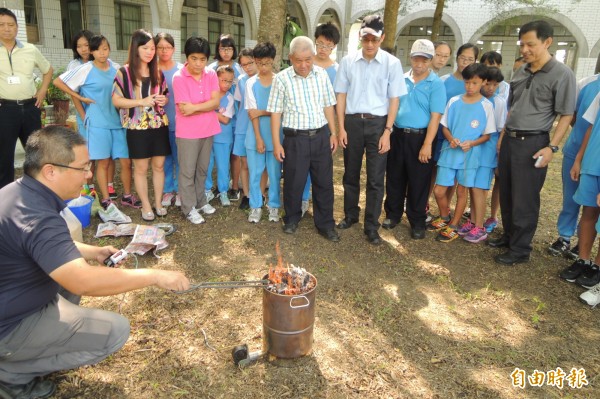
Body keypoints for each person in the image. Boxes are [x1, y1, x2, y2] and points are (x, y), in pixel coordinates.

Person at [0, 126, 189, 399]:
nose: (89, 174)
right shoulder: (37, 217)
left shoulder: (18, 192)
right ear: (51, 171)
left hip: (13, 301)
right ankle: (11, 373)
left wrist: (92, 252)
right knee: (115, 331)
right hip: (9, 325)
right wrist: (155, 275)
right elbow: (83, 281)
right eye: (82, 167)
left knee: (72, 265)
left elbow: (42, 246)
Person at [488, 20, 576, 265]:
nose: (524, 49)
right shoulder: (521, 70)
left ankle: (520, 249)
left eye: (530, 44)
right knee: (506, 191)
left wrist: (552, 147)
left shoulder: (562, 73)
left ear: (547, 42)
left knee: (525, 198)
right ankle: (509, 236)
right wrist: (503, 137)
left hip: (533, 143)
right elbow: (512, 108)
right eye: (522, 44)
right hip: (510, 140)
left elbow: (566, 114)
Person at [334, 14, 407, 245]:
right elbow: (341, 96)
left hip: (378, 124)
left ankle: (371, 225)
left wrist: (387, 131)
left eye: (374, 40)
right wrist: (341, 128)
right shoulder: (348, 61)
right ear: (360, 37)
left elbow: (394, 99)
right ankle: (350, 215)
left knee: (376, 178)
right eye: (365, 39)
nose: (369, 44)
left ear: (382, 38)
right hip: (352, 123)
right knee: (350, 174)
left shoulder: (391, 63)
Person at [268, 36, 339, 240]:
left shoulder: (322, 75)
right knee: (293, 181)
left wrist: (333, 133)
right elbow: (275, 113)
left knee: (324, 183)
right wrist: (276, 143)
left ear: (313, 56)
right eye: (298, 60)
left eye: (308, 59)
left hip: (320, 136)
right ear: (290, 58)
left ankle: (325, 224)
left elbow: (328, 105)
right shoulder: (281, 79)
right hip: (295, 139)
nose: (304, 65)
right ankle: (291, 218)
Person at [54, 35, 134, 211]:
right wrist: (80, 97)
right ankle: (106, 199)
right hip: (97, 123)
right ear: (92, 51)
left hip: (118, 122)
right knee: (103, 162)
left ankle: (128, 195)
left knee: (126, 161)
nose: (102, 53)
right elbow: (58, 82)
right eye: (98, 49)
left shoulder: (115, 68)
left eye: (105, 48)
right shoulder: (85, 69)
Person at [382, 39, 445, 240]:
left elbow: (436, 117)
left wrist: (427, 144)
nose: (420, 64)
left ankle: (417, 220)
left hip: (421, 138)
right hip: (398, 135)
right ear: (411, 58)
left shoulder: (436, 84)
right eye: (417, 59)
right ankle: (393, 214)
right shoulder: (401, 79)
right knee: (394, 177)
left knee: (419, 181)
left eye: (425, 60)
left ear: (430, 60)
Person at [432, 63, 496, 243]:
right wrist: (451, 138)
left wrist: (472, 143)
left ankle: (454, 225)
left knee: (462, 192)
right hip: (450, 152)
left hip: (469, 156)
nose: (470, 87)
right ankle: (445, 216)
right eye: (467, 82)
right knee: (439, 190)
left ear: (483, 82)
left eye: (475, 83)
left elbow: (487, 135)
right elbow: (444, 126)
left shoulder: (486, 105)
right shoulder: (454, 102)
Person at [112, 29, 170, 221]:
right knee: (141, 168)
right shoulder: (124, 72)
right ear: (135, 49)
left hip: (158, 125)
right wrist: (140, 102)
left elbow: (165, 95)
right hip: (136, 127)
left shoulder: (158, 72)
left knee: (159, 166)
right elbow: (116, 101)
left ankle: (158, 202)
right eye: (145, 48)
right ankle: (146, 205)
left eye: (152, 48)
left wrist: (163, 100)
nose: (150, 52)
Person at [548, 73, 600, 258]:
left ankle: (583, 244)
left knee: (592, 204)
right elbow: (571, 114)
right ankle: (564, 236)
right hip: (576, 150)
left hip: (596, 159)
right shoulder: (586, 83)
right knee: (571, 197)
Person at [0, 7, 53, 189]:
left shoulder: (30, 49)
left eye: (11, 25)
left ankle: (37, 195)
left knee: (36, 155)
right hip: (4, 110)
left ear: (17, 27)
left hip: (30, 108)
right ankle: (4, 202)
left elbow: (48, 70)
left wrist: (42, 91)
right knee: (3, 158)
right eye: (2, 25)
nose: (7, 28)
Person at [172, 36, 220, 224]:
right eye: (194, 58)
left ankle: (200, 201)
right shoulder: (179, 77)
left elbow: (216, 102)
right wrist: (205, 105)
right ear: (187, 57)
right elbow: (185, 109)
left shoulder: (211, 74)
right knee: (187, 171)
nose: (198, 63)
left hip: (208, 130)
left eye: (202, 59)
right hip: (187, 133)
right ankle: (188, 207)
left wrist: (195, 107)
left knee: (202, 169)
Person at [560, 90, 600, 305]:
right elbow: (590, 127)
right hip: (592, 163)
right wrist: (579, 159)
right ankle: (583, 260)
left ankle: (597, 267)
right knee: (588, 213)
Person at [298, 22, 341, 218]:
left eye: (328, 46)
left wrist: (336, 130)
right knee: (302, 165)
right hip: (302, 123)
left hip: (324, 124)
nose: (323, 49)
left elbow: (336, 102)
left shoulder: (337, 70)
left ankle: (320, 204)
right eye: (320, 44)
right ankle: (302, 198)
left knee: (321, 167)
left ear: (334, 47)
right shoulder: (306, 63)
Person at [245, 42, 282, 224]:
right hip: (255, 136)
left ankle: (274, 206)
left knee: (275, 174)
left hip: (276, 136)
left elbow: (281, 111)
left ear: (273, 61)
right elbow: (252, 113)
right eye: (259, 63)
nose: (263, 67)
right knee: (255, 173)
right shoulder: (250, 83)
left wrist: (262, 111)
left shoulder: (279, 81)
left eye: (266, 63)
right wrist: (258, 138)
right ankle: (255, 206)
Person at [209, 34, 244, 201]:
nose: (226, 52)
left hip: (232, 117)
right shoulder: (212, 68)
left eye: (229, 48)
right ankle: (212, 188)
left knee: (233, 154)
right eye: (223, 48)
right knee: (211, 158)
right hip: (212, 123)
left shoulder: (238, 68)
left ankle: (233, 186)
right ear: (218, 49)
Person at [155, 33, 183, 209]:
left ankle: (180, 190)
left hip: (179, 123)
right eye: (160, 47)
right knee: (164, 160)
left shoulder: (181, 69)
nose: (164, 51)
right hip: (158, 124)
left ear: (173, 49)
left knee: (180, 158)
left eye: (168, 47)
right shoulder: (151, 70)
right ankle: (167, 190)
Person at [478, 66, 508, 235]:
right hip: (476, 145)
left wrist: (498, 150)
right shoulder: (474, 99)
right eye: (488, 84)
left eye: (495, 85)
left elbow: (501, 128)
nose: (490, 88)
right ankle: (476, 217)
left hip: (491, 147)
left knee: (488, 183)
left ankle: (489, 217)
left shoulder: (499, 102)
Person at [205, 65, 236, 206]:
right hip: (207, 135)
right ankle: (207, 190)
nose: (226, 84)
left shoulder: (230, 98)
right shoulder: (208, 93)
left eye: (230, 82)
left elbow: (225, 119)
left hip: (223, 137)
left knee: (223, 165)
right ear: (216, 78)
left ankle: (223, 192)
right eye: (223, 80)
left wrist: (209, 111)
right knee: (207, 163)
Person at [233, 48, 259, 210]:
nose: (248, 67)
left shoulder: (263, 78)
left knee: (257, 162)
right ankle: (247, 194)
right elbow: (237, 105)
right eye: (244, 65)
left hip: (259, 125)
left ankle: (259, 193)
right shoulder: (241, 80)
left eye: (250, 63)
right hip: (243, 125)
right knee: (244, 161)